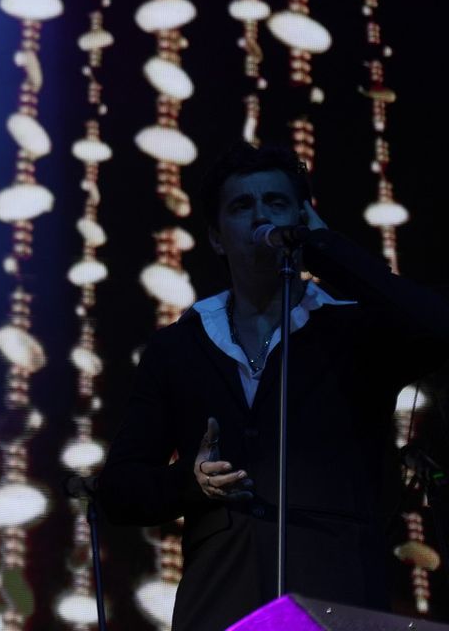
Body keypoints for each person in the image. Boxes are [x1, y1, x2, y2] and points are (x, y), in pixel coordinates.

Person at [94, 143, 449, 628]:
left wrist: (326, 248)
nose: (262, 215)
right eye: (242, 206)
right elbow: (119, 490)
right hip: (219, 601)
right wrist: (190, 483)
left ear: (302, 218)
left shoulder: (356, 331)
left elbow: (437, 328)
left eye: (277, 203)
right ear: (217, 238)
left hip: (336, 594)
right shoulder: (179, 346)